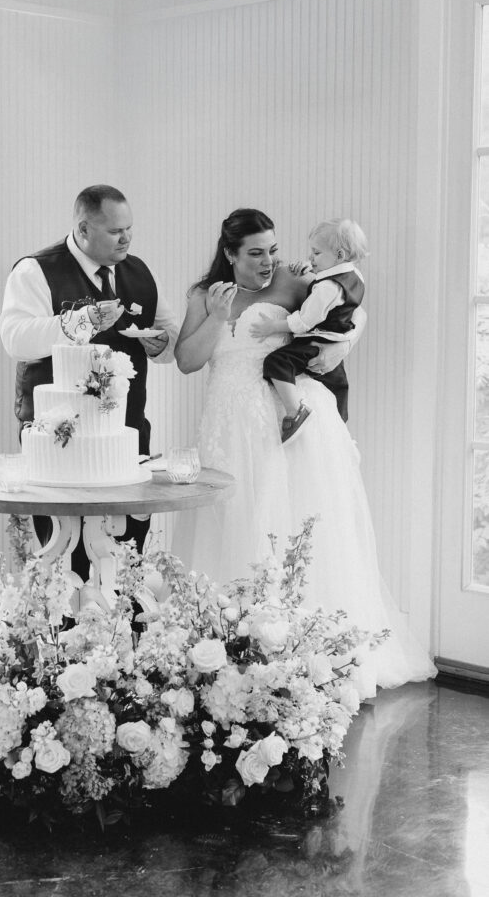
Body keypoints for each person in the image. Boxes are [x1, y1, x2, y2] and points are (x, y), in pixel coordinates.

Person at [173, 208, 435, 693]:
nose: (268, 261)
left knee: (291, 526)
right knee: (231, 523)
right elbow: (187, 360)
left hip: (288, 425)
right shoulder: (204, 295)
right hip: (228, 427)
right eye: (255, 253)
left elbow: (351, 309)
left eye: (273, 250)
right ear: (229, 254)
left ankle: (297, 656)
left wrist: (342, 347)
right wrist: (217, 317)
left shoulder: (294, 282)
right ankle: (230, 654)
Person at [0, 184, 178, 559]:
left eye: (128, 229)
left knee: (129, 550)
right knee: (65, 553)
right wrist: (80, 321)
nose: (126, 238)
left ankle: (126, 599)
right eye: (115, 231)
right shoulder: (35, 270)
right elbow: (15, 339)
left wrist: (161, 344)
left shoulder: (140, 272)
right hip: (59, 439)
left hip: (126, 432)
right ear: (83, 229)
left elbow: (168, 334)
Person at [256, 218, 368, 443]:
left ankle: (295, 411)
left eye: (316, 253)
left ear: (339, 255)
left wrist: (274, 326)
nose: (310, 257)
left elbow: (304, 321)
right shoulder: (355, 276)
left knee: (276, 362)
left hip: (315, 341)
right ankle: (341, 434)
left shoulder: (327, 287)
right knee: (338, 387)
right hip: (334, 339)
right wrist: (314, 268)